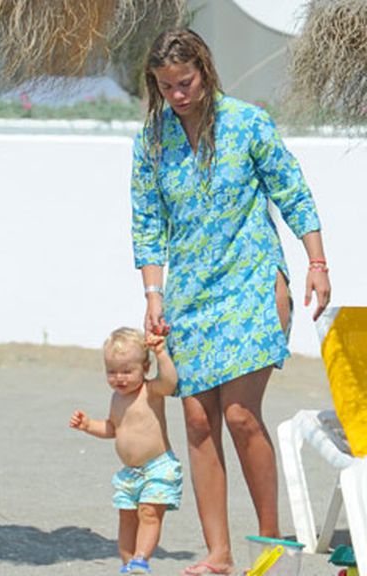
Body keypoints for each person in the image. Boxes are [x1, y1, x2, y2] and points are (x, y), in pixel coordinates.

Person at [130, 28, 331, 576]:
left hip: (251, 283)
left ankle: (269, 546)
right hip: (189, 296)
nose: (178, 95)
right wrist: (153, 293)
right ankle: (218, 554)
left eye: (186, 82)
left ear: (205, 70)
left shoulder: (247, 123)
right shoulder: (152, 140)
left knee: (241, 415)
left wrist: (315, 264)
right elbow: (147, 225)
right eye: (166, 86)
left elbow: (293, 190)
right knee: (197, 421)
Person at [70, 327, 180, 575]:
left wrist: (161, 352)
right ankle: (128, 563)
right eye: (112, 372)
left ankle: (141, 559)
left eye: (127, 371)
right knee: (127, 518)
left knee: (149, 514)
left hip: (157, 467)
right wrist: (88, 425)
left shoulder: (151, 391)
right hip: (129, 474)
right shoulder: (116, 398)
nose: (119, 378)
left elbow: (171, 382)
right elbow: (112, 428)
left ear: (145, 368)